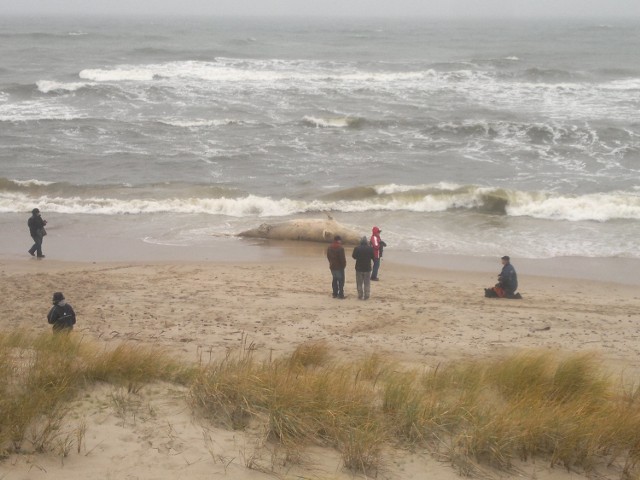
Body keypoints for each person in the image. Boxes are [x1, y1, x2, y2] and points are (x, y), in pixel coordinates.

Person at [352, 236, 375, 300]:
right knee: (367, 283)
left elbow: (354, 256)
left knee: (359, 283)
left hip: (359, 268)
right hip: (367, 268)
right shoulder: (370, 249)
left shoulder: (357, 248)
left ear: (360, 242)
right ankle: (366, 295)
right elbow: (373, 257)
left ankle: (360, 295)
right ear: (366, 242)